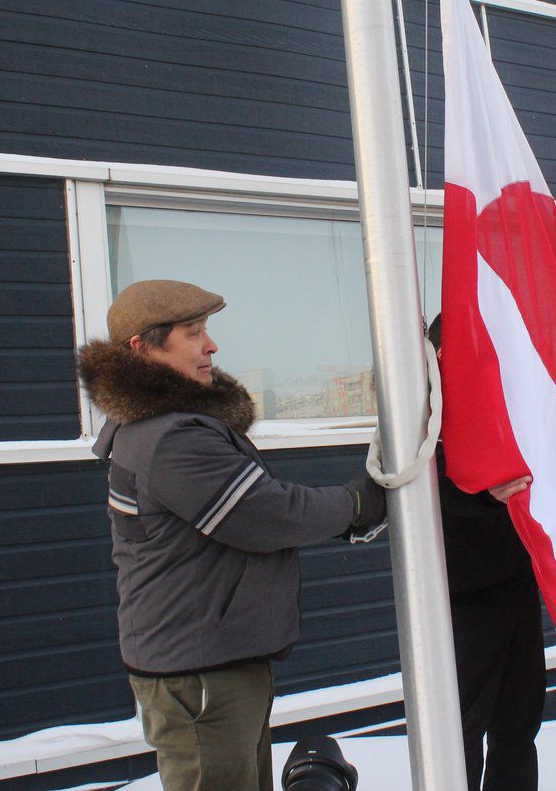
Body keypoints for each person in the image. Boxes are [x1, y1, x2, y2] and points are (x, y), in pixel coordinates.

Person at [78, 279, 386, 791]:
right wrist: (356, 504)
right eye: (193, 333)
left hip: (207, 661)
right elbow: (265, 513)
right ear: (142, 348)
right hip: (202, 674)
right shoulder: (170, 437)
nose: (211, 345)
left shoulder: (161, 425)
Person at [430, 314, 547, 791]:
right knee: (459, 733)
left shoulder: (514, 397)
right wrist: (482, 493)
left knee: (519, 726)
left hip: (518, 584)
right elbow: (421, 481)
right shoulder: (422, 408)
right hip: (461, 598)